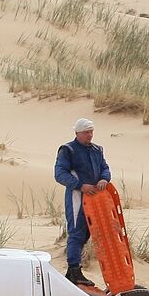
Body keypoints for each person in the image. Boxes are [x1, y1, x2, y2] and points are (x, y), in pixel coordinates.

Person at [54, 117, 111, 286]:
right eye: (87, 132)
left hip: (96, 198)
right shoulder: (68, 150)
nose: (90, 135)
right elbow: (60, 174)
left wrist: (104, 179)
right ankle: (73, 270)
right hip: (77, 197)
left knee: (88, 232)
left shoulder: (97, 150)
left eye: (91, 131)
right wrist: (80, 185)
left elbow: (105, 168)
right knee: (77, 232)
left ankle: (75, 270)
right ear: (77, 133)